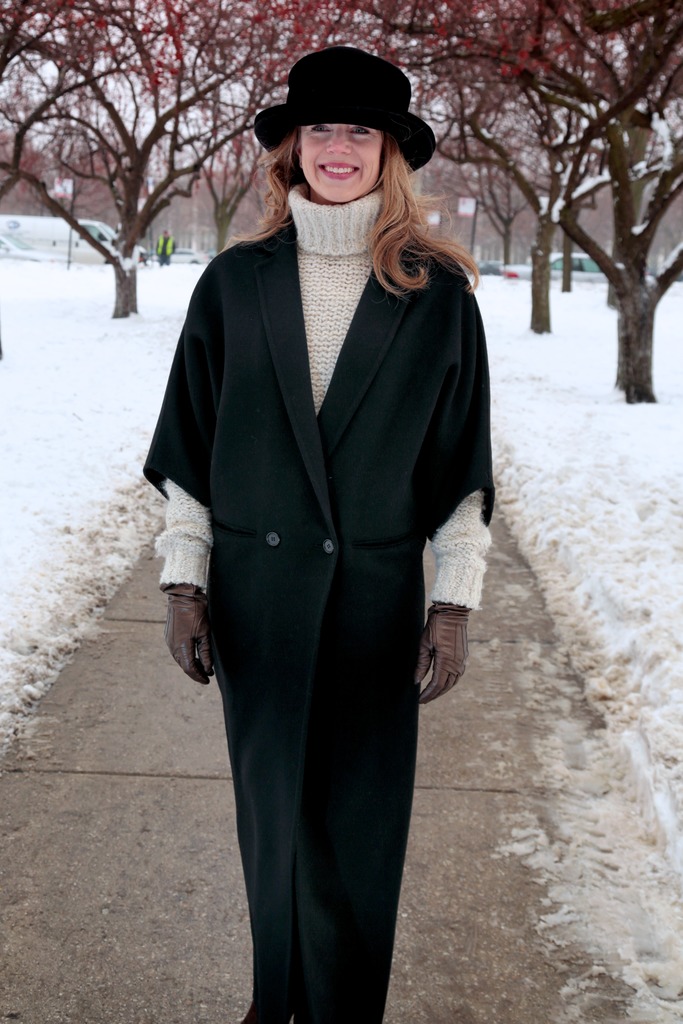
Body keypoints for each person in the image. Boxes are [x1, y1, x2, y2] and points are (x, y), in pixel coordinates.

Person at [144, 45, 494, 1024]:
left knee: (358, 836)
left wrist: (451, 602)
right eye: (321, 128)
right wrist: (184, 582)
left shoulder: (436, 296)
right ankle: (274, 1007)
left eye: (360, 131)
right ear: (292, 146)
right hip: (258, 607)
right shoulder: (232, 283)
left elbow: (460, 468)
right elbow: (189, 449)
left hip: (373, 609)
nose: (338, 147)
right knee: (274, 829)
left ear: (389, 153)